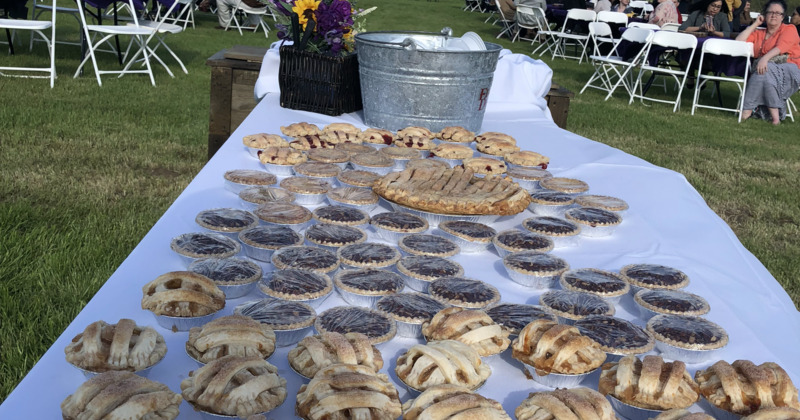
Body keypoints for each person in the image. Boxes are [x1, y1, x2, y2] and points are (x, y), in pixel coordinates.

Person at [735, 0, 800, 124]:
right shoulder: (759, 33)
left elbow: (782, 47)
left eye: (777, 13)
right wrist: (755, 24)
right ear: (765, 14)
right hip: (766, 70)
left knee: (765, 69)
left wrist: (764, 59)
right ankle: (775, 117)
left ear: (783, 16)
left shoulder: (789, 29)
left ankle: (747, 110)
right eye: (770, 12)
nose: (774, 15)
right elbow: (739, 41)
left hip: (791, 69)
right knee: (765, 73)